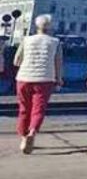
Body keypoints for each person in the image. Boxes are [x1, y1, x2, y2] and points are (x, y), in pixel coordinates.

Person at [13, 15, 63, 154]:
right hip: (45, 80)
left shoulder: (27, 40)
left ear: (37, 26)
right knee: (38, 109)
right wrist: (59, 79)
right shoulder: (55, 42)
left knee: (24, 109)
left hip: (24, 78)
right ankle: (32, 133)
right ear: (51, 27)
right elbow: (58, 63)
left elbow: (16, 60)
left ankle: (24, 138)